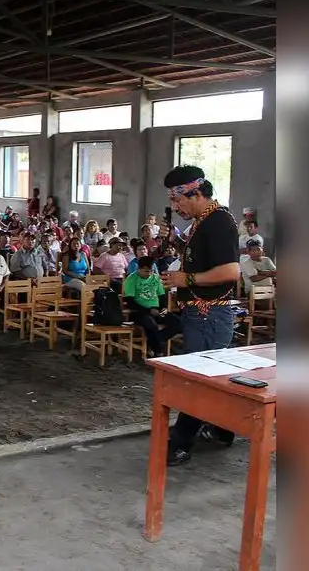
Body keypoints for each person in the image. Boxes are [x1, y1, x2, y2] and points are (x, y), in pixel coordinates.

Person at [160, 165, 240, 467]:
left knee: (198, 379)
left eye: (179, 200)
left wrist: (186, 281)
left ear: (195, 193)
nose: (175, 207)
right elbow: (205, 259)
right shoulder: (203, 222)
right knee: (210, 376)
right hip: (201, 313)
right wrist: (181, 247)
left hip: (209, 314)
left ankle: (180, 442)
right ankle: (221, 430)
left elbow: (230, 272)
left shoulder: (218, 222)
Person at [123, 256, 181, 357]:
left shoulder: (155, 278)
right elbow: (129, 301)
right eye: (145, 271)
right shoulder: (132, 279)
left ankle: (156, 340)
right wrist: (149, 311)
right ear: (139, 268)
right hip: (139, 312)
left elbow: (162, 296)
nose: (148, 274)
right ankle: (158, 351)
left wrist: (162, 308)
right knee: (151, 324)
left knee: (178, 323)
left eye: (150, 271)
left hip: (157, 310)